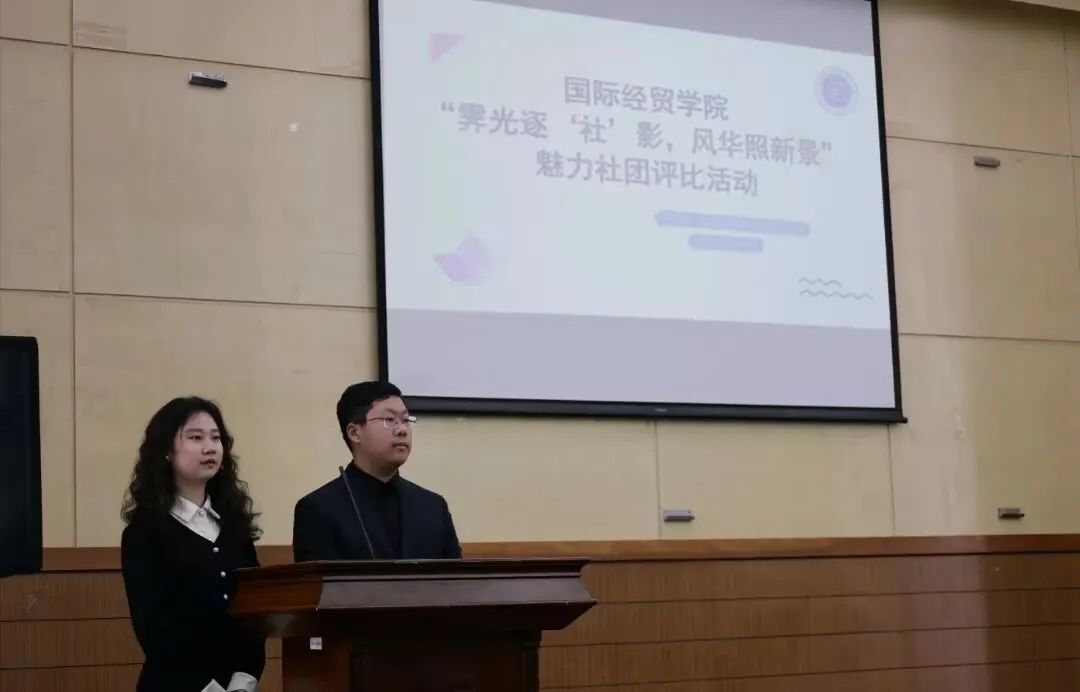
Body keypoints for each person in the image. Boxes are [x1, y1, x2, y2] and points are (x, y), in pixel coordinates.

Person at [120, 397, 265, 692]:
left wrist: (244, 679)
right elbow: (154, 628)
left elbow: (255, 610)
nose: (210, 448)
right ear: (166, 450)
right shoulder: (144, 533)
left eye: (216, 438)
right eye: (196, 438)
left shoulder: (234, 526)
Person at [292, 381, 461, 562]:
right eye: (389, 420)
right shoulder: (317, 510)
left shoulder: (433, 507)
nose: (402, 430)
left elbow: (457, 578)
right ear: (354, 433)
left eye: (406, 420)